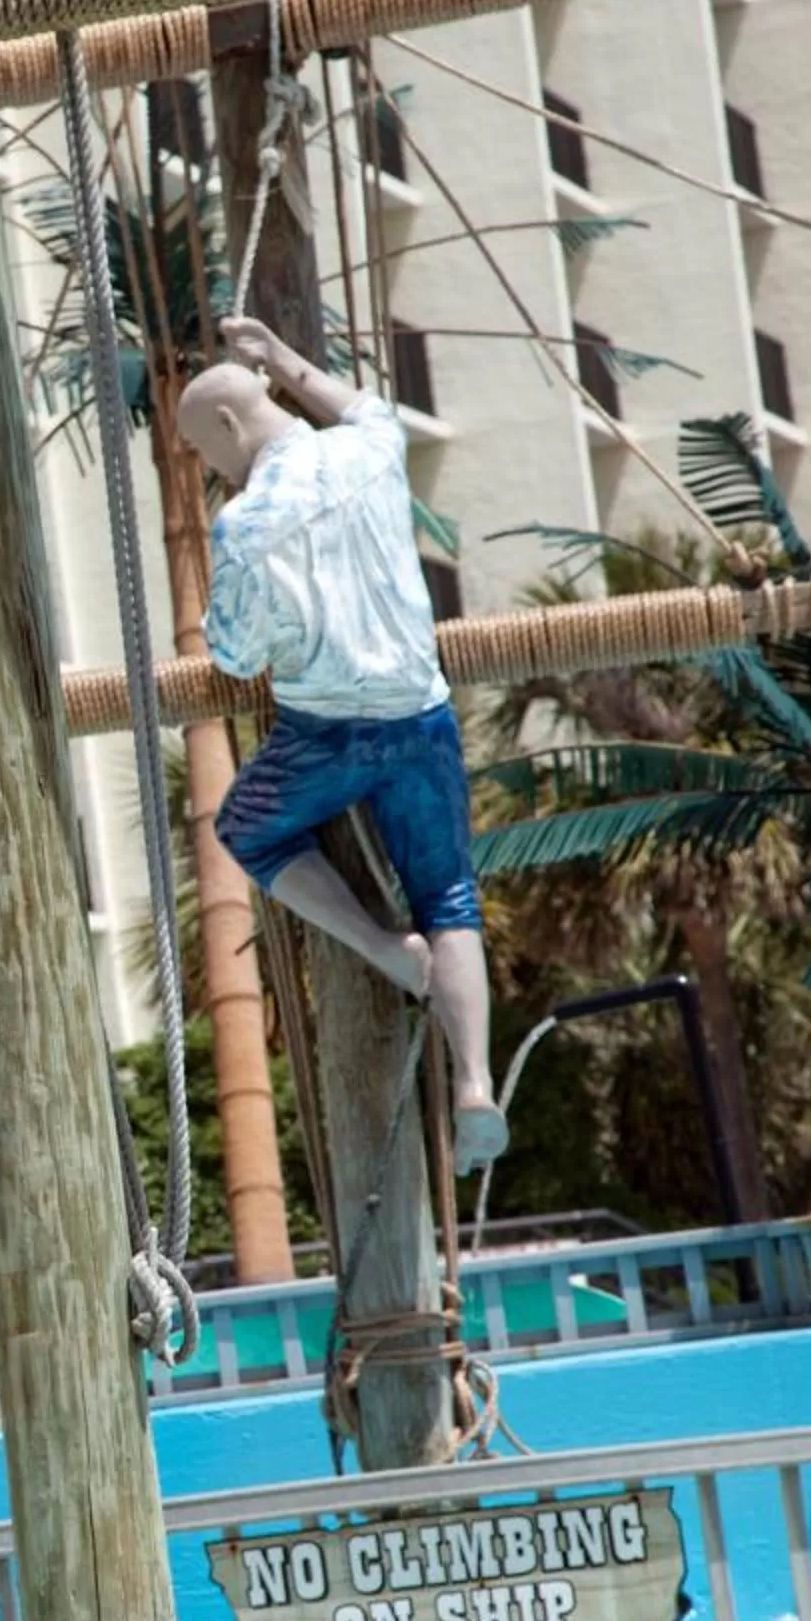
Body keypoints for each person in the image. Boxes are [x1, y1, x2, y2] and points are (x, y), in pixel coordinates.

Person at [177, 315, 506, 1173]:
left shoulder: (247, 524)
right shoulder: (371, 450)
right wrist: (281, 356)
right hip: (421, 712)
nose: (212, 472)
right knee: (450, 894)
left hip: (329, 731)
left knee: (249, 826)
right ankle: (475, 1083)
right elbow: (360, 405)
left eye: (205, 454)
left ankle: (383, 952)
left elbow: (236, 655)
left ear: (226, 427)